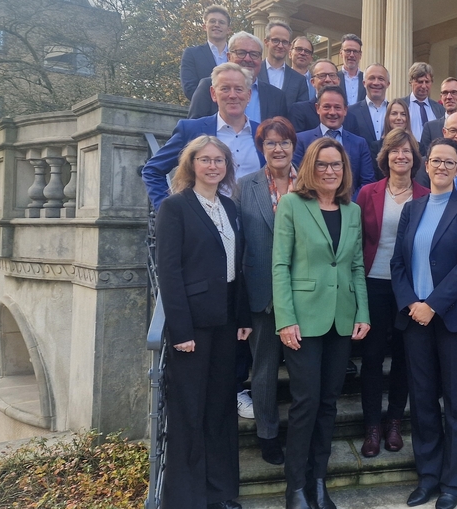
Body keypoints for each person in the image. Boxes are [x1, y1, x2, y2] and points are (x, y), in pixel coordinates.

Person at [390, 138, 457, 509]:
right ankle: (428, 475)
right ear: (426, 165)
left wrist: (432, 304)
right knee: (422, 399)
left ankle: (453, 481)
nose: (442, 166)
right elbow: (398, 264)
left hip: (453, 319)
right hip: (415, 318)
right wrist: (412, 303)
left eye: (450, 161)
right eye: (436, 160)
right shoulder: (411, 209)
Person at [272, 136, 370, 509]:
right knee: (305, 402)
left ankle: (317, 480)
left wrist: (362, 312)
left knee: (329, 402)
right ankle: (295, 486)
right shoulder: (293, 205)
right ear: (311, 167)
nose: (331, 171)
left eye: (337, 165)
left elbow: (356, 265)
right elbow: (279, 265)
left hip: (341, 319)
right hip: (302, 320)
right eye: (323, 164)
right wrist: (285, 320)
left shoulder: (352, 210)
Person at [155, 135, 251, 509]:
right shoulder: (175, 208)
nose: (213, 166)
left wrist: (242, 316)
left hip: (227, 319)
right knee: (189, 410)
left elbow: (238, 266)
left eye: (219, 160)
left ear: (227, 166)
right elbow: (169, 271)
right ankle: (186, 498)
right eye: (205, 160)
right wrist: (179, 331)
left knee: (220, 407)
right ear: (191, 165)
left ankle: (219, 492)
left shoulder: (229, 206)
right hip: (193, 325)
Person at [354, 128, 428, 458]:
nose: (401, 156)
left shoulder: (425, 195)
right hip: (374, 283)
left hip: (409, 289)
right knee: (371, 358)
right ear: (386, 157)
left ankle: (394, 421)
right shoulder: (367, 193)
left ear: (415, 159)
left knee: (404, 357)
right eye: (395, 151)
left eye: (407, 152)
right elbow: (356, 244)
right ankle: (372, 425)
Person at [237, 116, 300, 466]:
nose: (278, 148)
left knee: (303, 370)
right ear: (261, 148)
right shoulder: (245, 186)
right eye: (270, 143)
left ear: (294, 146)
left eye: (284, 142)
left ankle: (301, 431)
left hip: (303, 293)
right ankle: (268, 434)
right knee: (263, 370)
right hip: (261, 294)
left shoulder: (308, 184)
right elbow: (238, 246)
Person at [143, 62, 264, 209]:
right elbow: (153, 170)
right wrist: (167, 209)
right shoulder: (191, 130)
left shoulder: (263, 133)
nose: (232, 95)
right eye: (225, 89)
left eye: (239, 89)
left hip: (254, 226)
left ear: (248, 95)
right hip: (205, 223)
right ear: (213, 94)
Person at [292, 85, 375, 198]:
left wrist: (347, 204)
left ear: (345, 110)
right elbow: (297, 178)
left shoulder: (359, 143)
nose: (332, 112)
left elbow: (367, 182)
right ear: (317, 108)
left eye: (337, 107)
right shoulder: (301, 140)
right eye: (326, 107)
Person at [189, 32, 289, 122]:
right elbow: (194, 130)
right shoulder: (208, 86)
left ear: (260, 59)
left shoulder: (277, 96)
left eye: (254, 54)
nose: (248, 59)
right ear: (228, 57)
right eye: (241, 53)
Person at [344, 63, 391, 179]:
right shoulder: (350, 112)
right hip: (359, 176)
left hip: (391, 174)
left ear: (388, 84)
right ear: (364, 83)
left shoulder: (395, 112)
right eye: (371, 78)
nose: (376, 82)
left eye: (381, 79)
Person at [180, 4, 230, 100]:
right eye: (212, 21)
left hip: (235, 112)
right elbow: (189, 89)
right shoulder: (191, 54)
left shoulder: (237, 55)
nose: (217, 25)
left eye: (221, 22)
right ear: (204, 26)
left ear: (228, 30)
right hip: (204, 112)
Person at [259, 22, 310, 108]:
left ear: (289, 46)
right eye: (275, 40)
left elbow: (301, 113)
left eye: (285, 42)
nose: (280, 46)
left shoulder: (299, 80)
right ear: (266, 42)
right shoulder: (254, 73)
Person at [289, 59, 342, 132]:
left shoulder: (349, 115)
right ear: (312, 82)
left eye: (332, 75)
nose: (327, 79)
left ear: (338, 81)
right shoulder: (299, 111)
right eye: (322, 76)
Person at [403, 62, 444, 140]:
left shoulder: (439, 109)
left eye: (427, 82)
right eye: (420, 82)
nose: (424, 86)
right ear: (411, 82)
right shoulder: (401, 105)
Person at [339, 34, 367, 106]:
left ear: (360, 55)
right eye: (348, 51)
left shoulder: (367, 79)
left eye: (355, 51)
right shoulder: (333, 78)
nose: (351, 55)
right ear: (341, 53)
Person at [289, 36, 316, 101]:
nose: (302, 53)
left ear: (311, 58)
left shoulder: (316, 81)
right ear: (290, 54)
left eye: (307, 51)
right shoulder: (283, 77)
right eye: (299, 49)